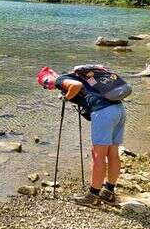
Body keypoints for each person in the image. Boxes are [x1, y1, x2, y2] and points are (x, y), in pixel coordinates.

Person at [37, 66, 126, 206]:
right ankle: (108, 192)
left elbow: (76, 86)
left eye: (45, 85)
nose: (48, 87)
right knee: (112, 153)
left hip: (103, 113)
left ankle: (93, 196)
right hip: (118, 109)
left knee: (98, 155)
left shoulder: (60, 80)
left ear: (48, 79)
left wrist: (66, 98)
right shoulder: (76, 75)